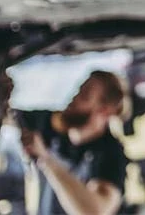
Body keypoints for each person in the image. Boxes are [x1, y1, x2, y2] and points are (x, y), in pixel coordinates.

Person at [17, 70, 129, 215]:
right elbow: (6, 116)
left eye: (85, 96)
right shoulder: (50, 124)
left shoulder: (110, 153)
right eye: (78, 91)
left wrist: (46, 160)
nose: (74, 98)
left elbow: (95, 212)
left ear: (104, 111)